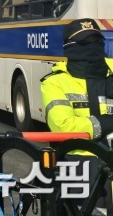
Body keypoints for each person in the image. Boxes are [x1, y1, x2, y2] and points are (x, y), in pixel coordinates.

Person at [41, 18, 113, 213]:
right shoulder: (55, 83)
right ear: (70, 47)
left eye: (96, 41)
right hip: (81, 166)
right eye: (85, 43)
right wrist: (106, 124)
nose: (92, 47)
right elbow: (64, 127)